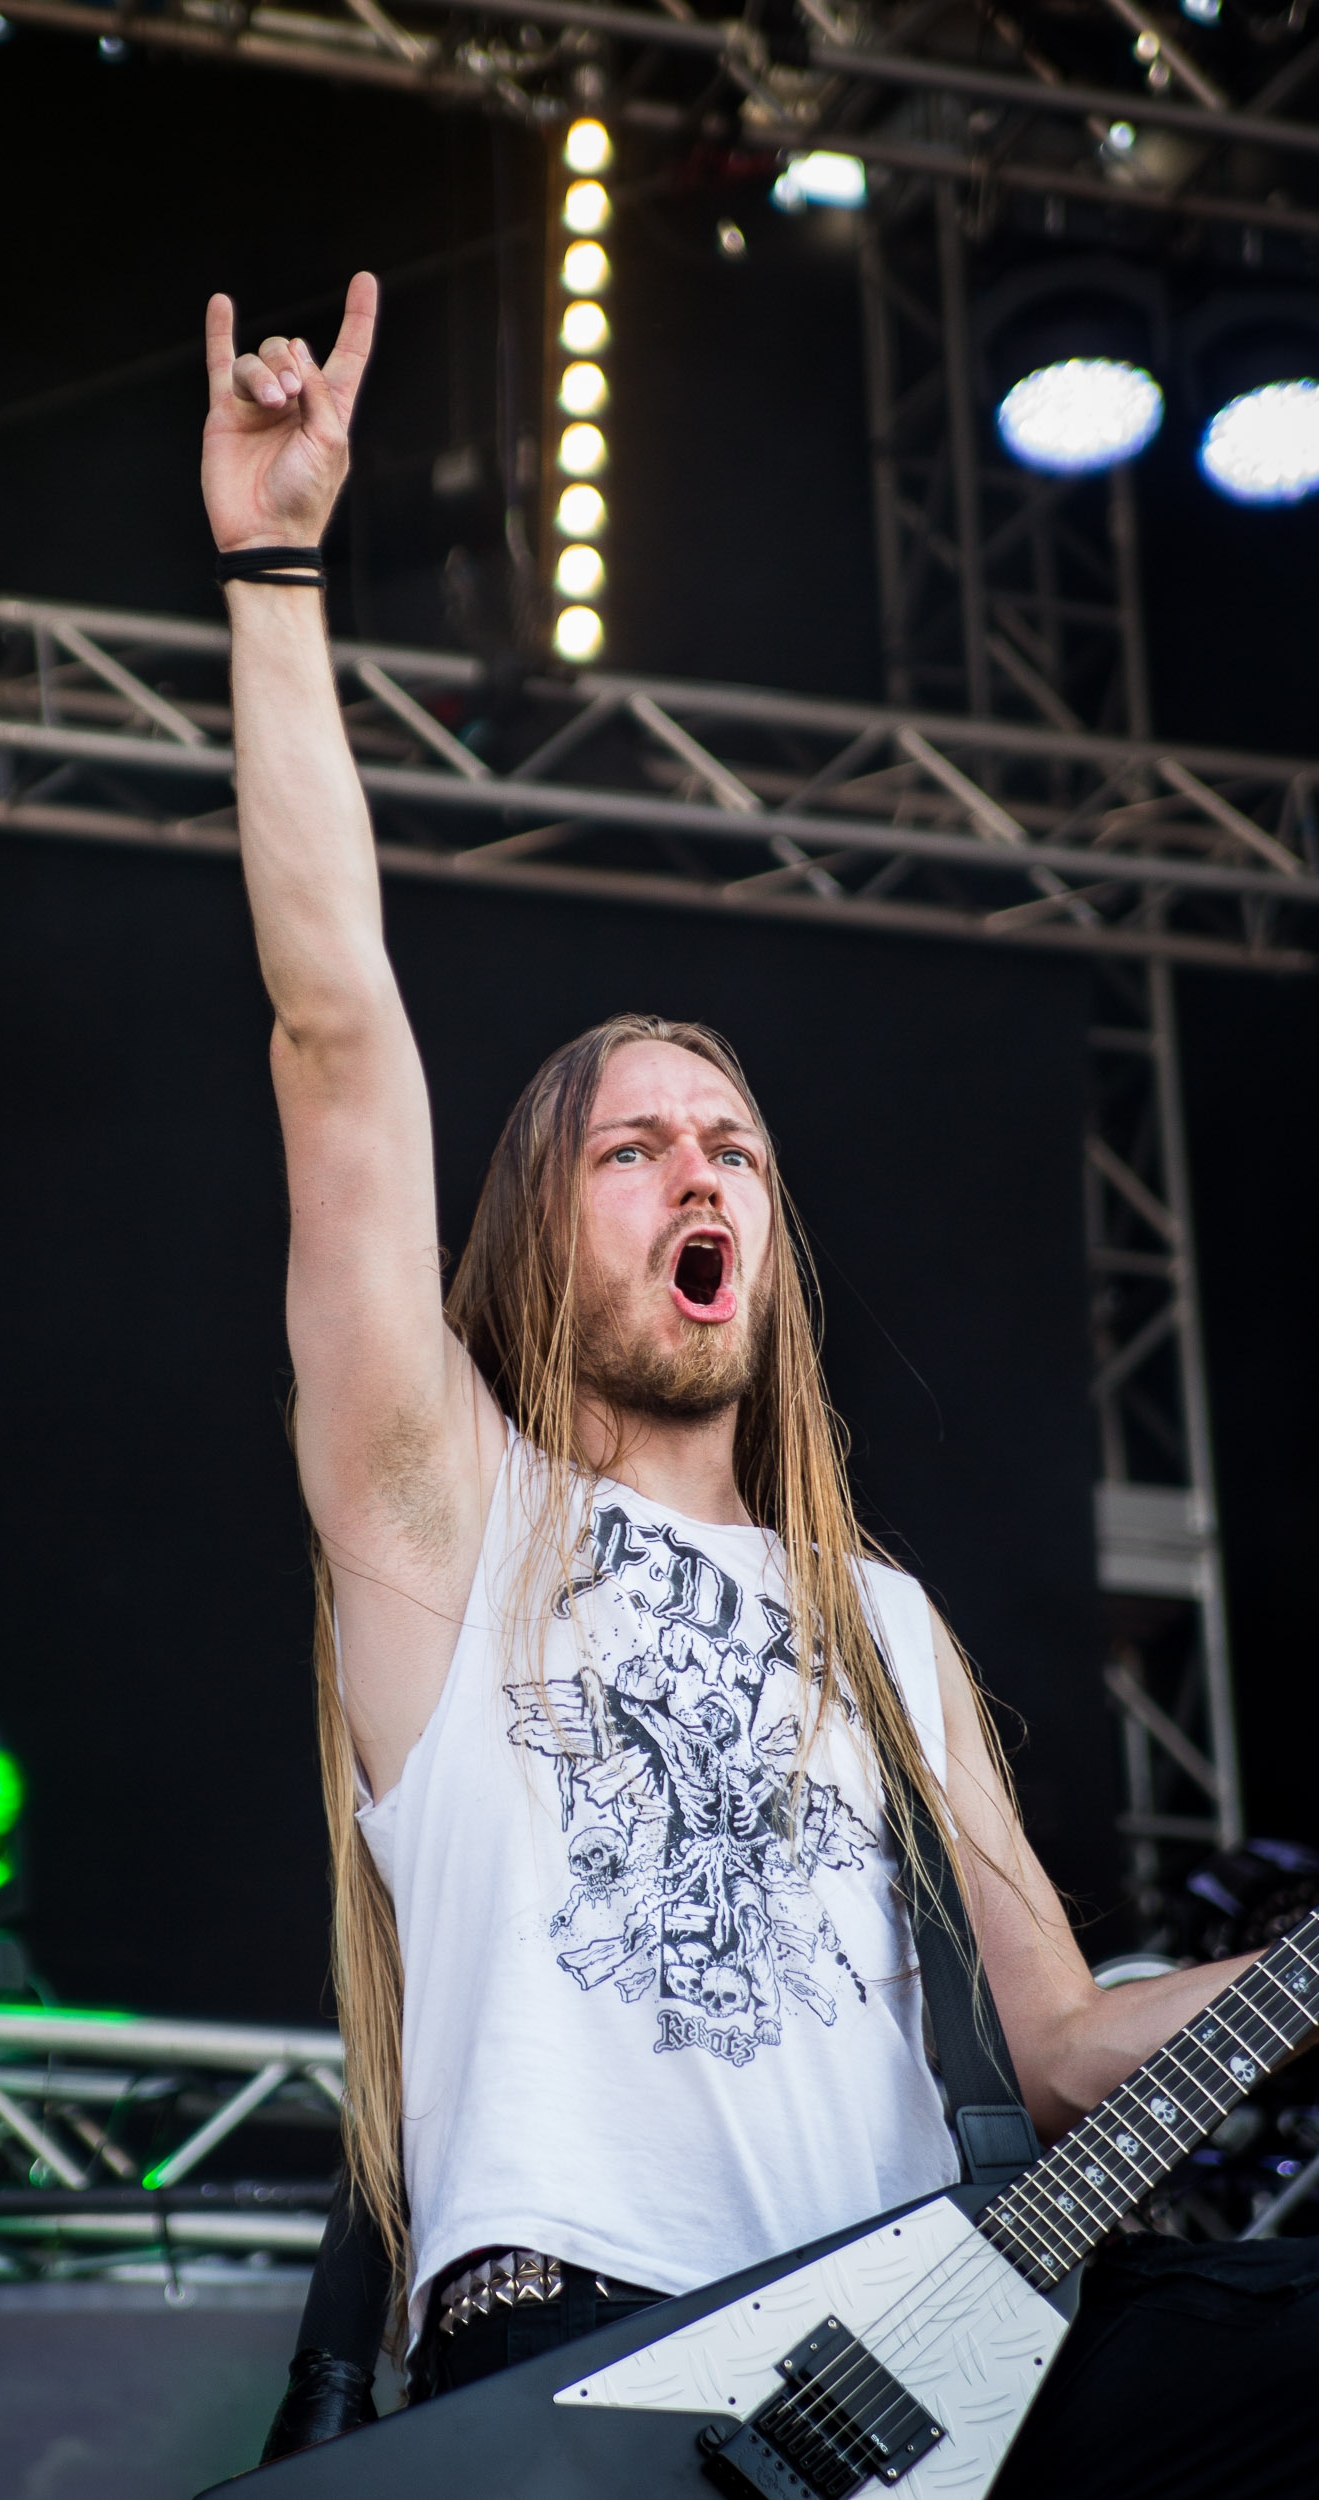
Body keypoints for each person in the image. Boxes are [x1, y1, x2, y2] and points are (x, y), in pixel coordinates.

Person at [198, 275, 1319, 2496]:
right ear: (542, 1232)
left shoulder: (884, 1629)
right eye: (633, 1148)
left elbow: (1060, 2043)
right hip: (591, 2364)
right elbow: (335, 1034)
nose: (699, 1170)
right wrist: (275, 571)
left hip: (910, 2381)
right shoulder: (451, 1514)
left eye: (733, 1148)